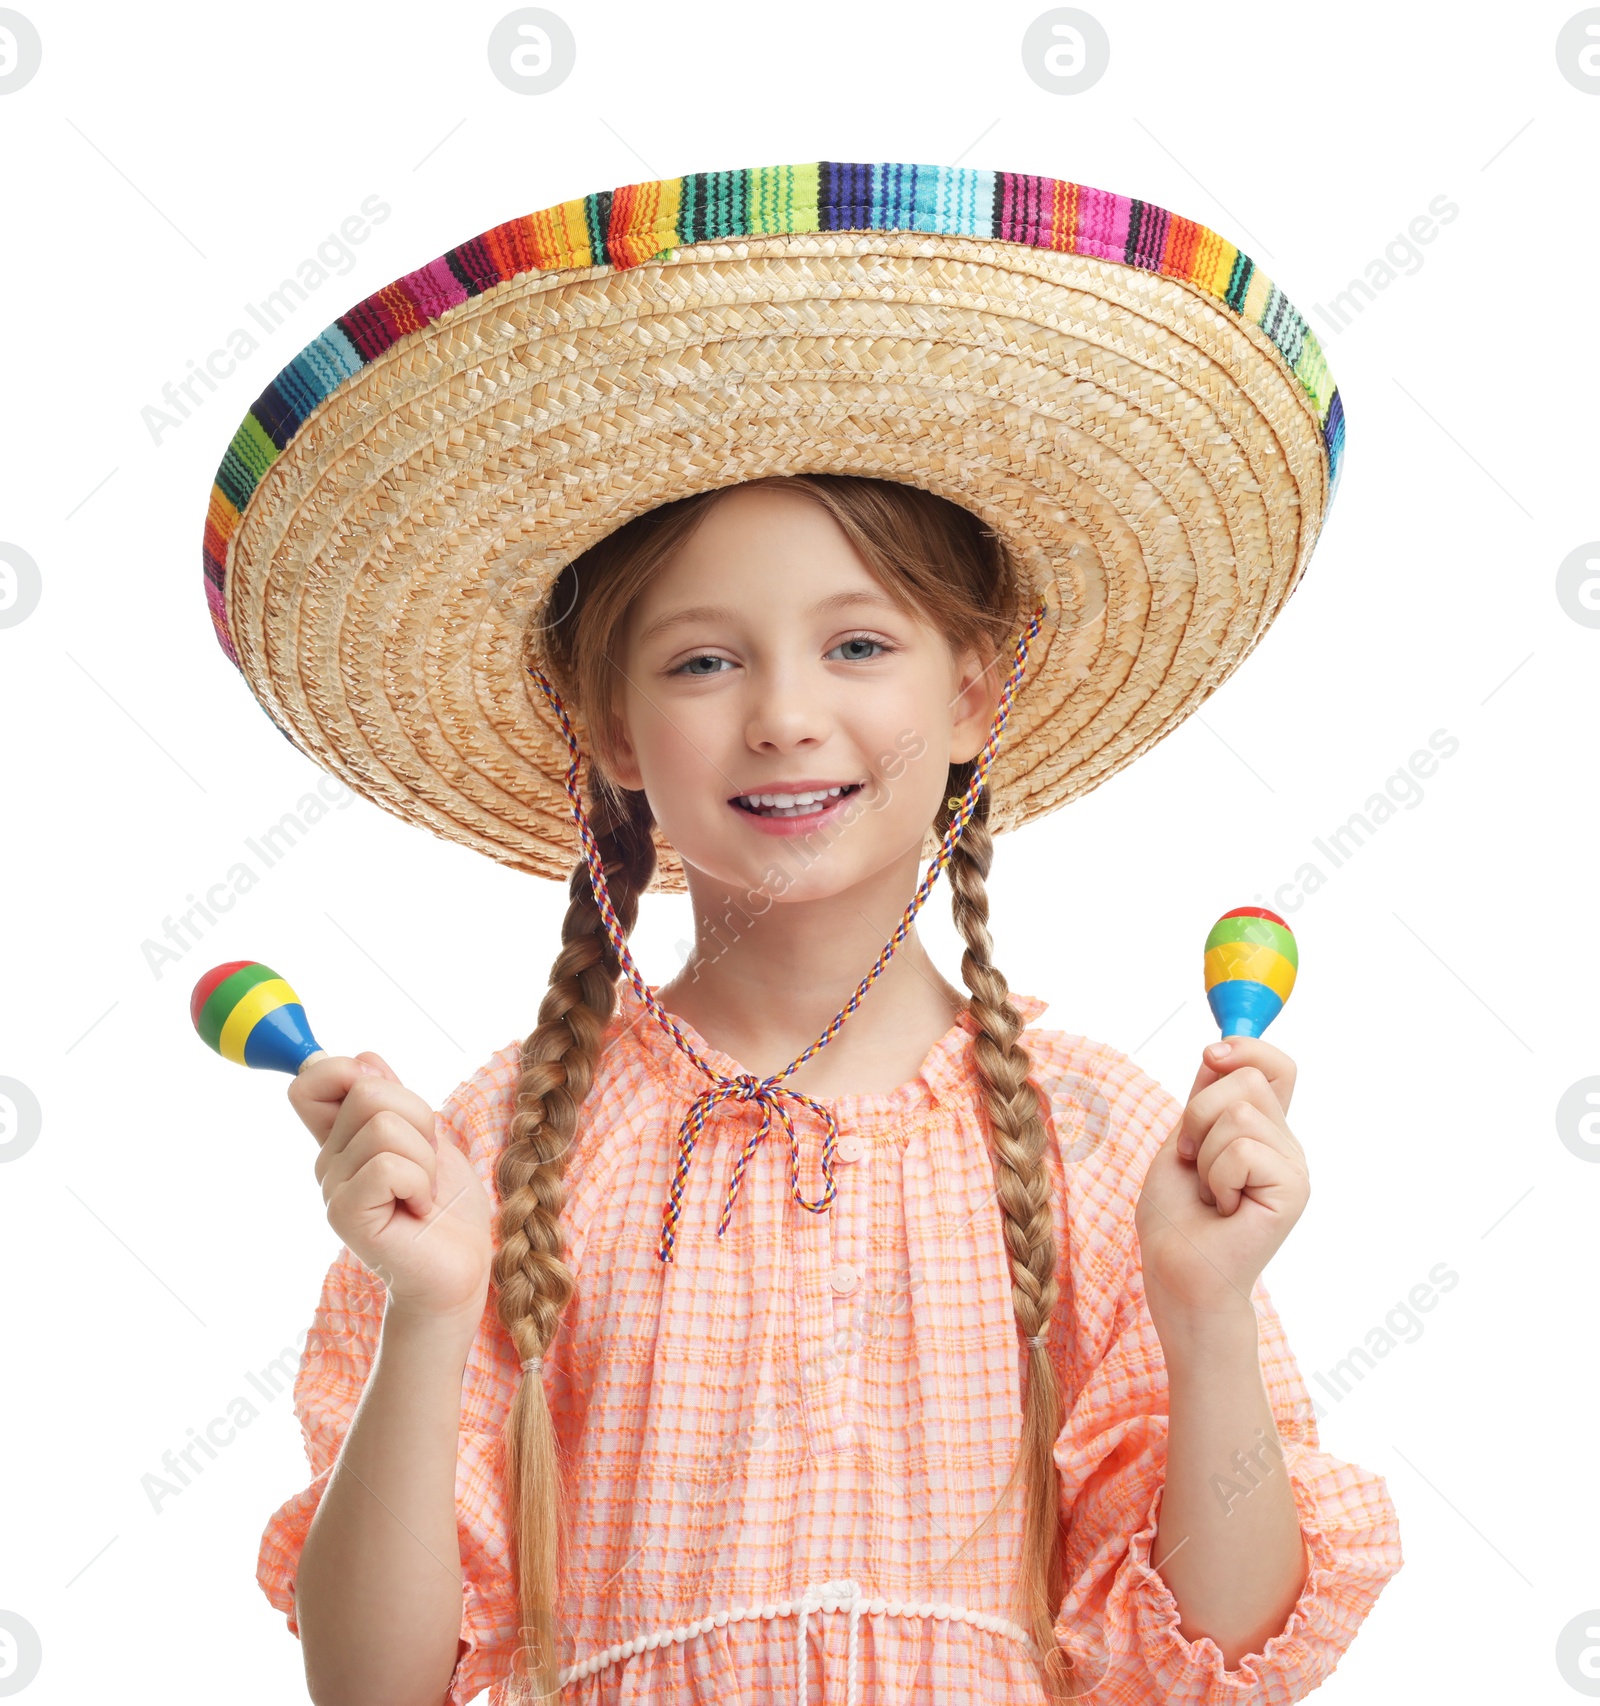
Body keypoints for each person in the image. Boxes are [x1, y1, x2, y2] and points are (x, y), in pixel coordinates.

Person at [202, 162, 1401, 1704]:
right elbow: (375, 1684)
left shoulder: (1098, 1136)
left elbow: (1221, 1658)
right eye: (703, 660)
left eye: (856, 643)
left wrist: (1205, 1306)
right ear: (612, 729)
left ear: (974, 692)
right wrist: (431, 1313)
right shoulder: (496, 1156)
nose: (782, 715)